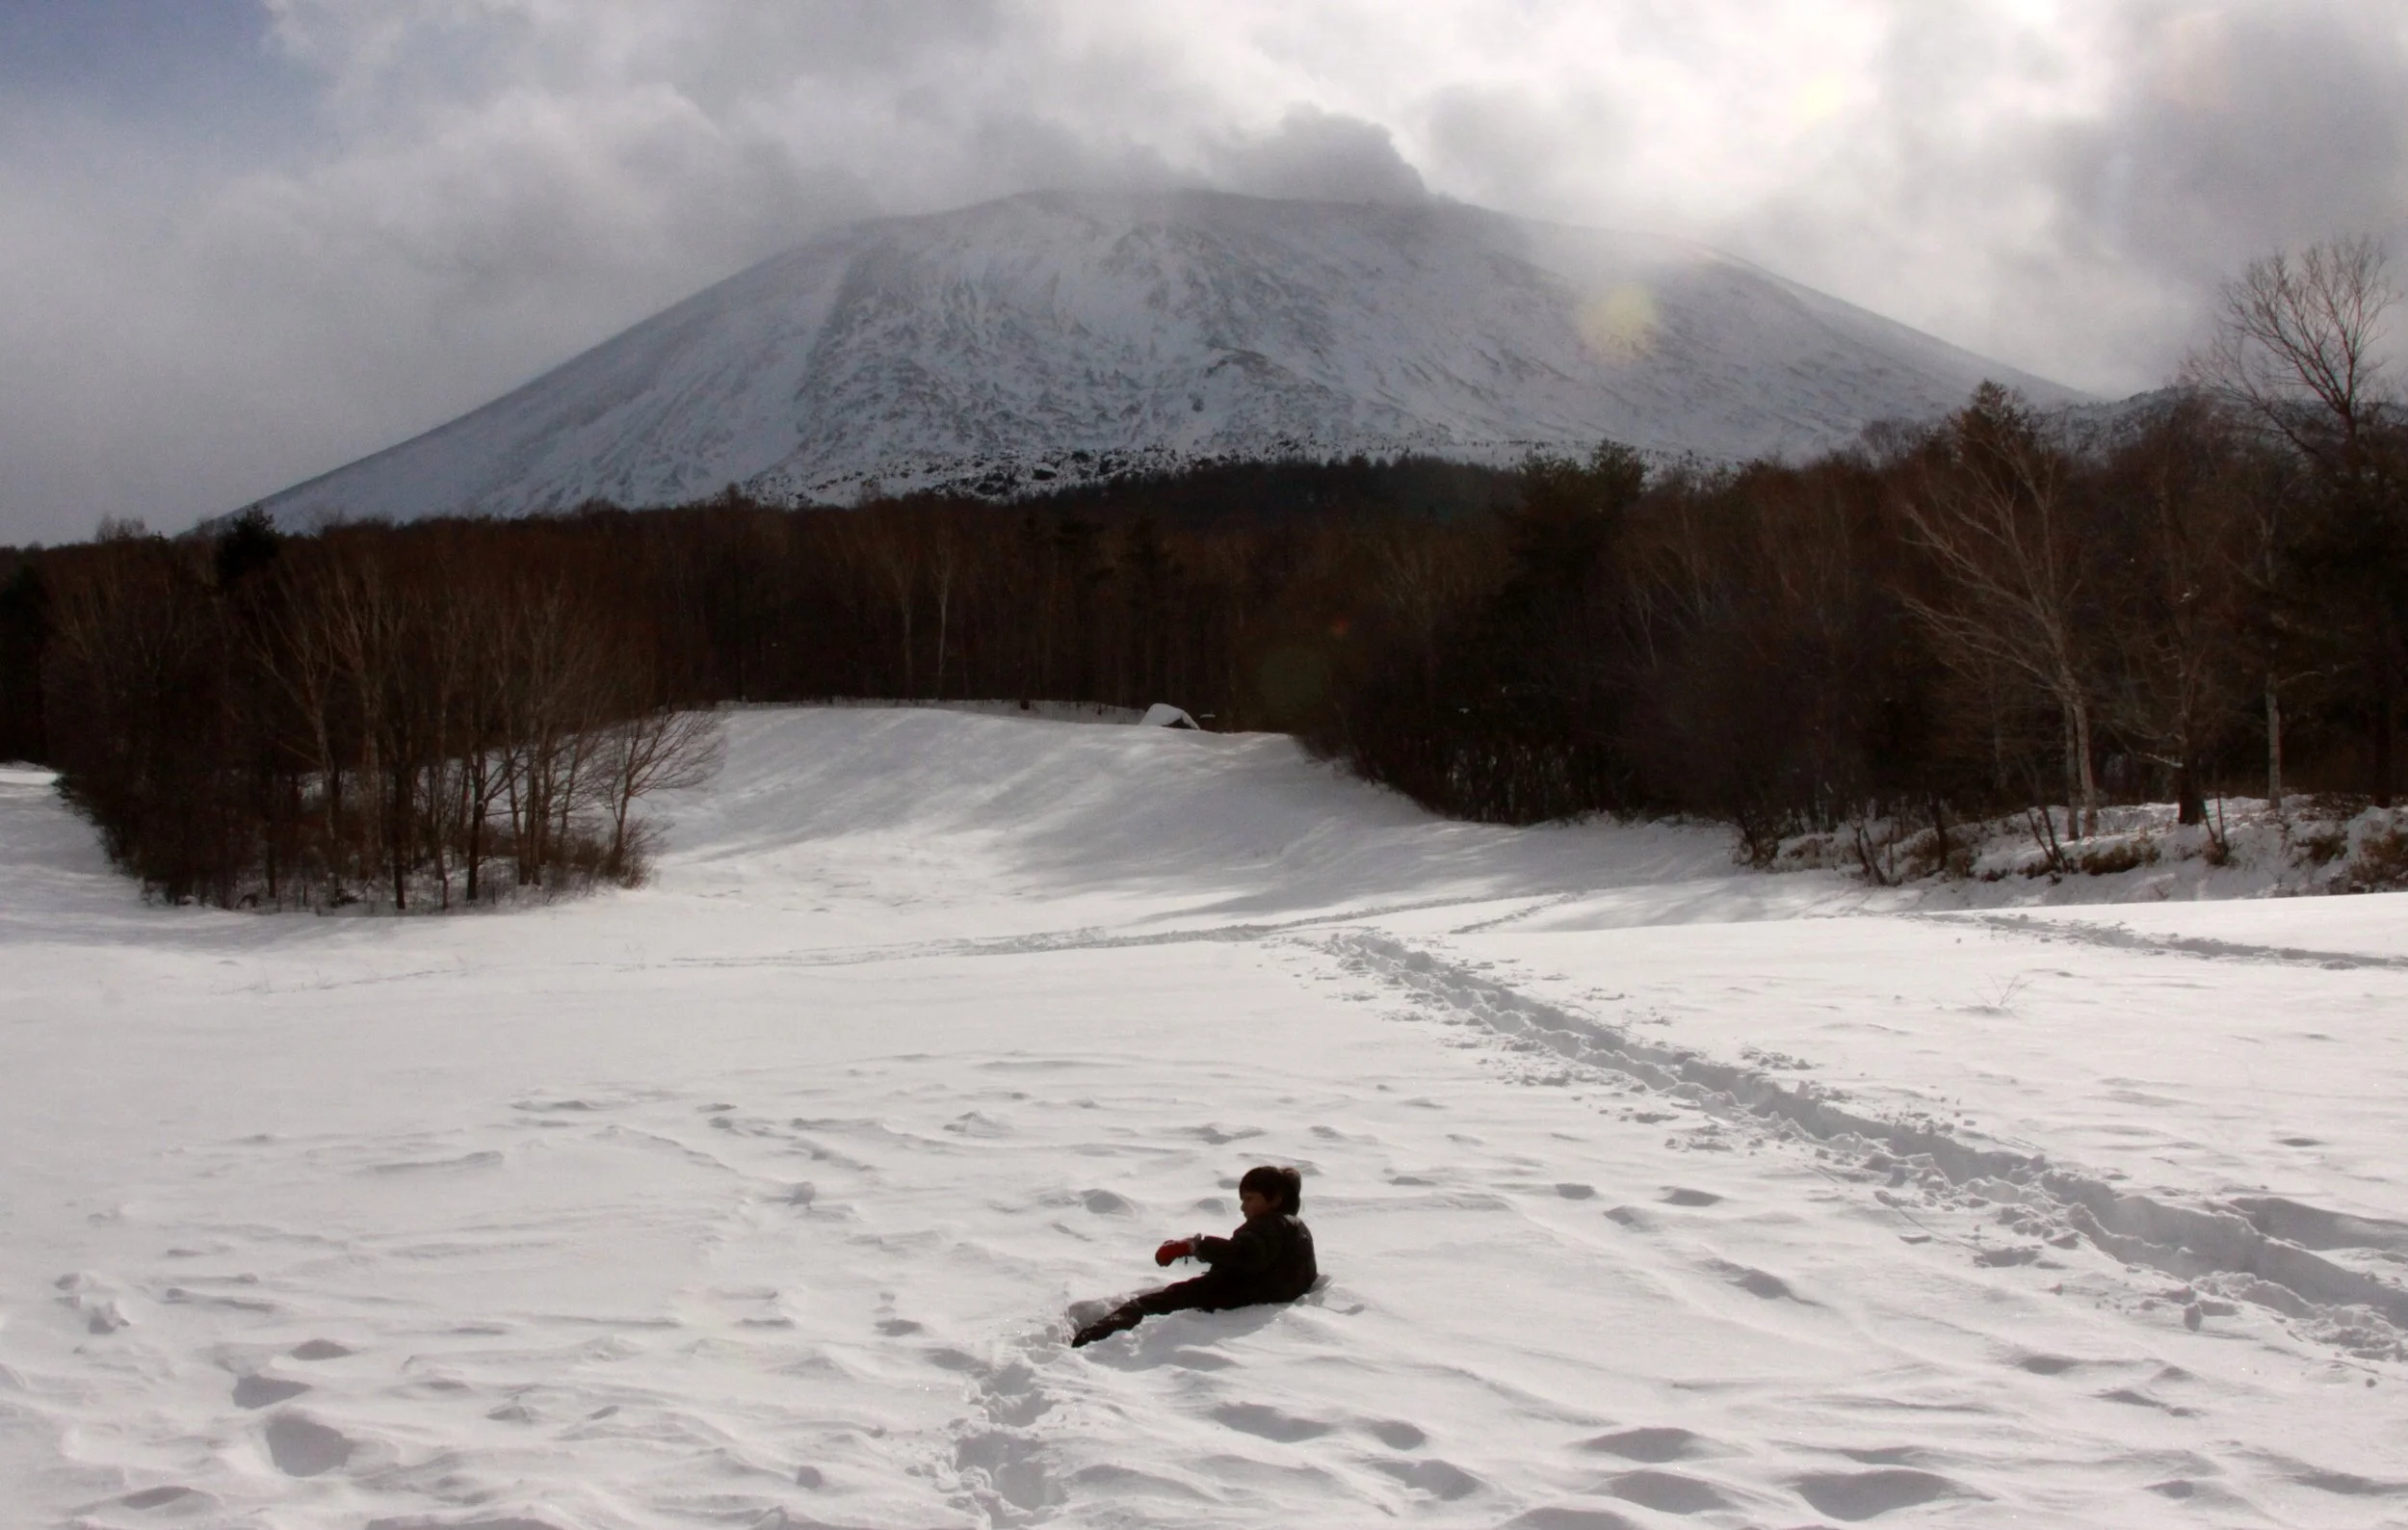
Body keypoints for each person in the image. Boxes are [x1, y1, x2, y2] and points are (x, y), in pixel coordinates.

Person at [1071, 1165, 1317, 1348]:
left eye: (1250, 1199)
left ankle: (1090, 1337)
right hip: (1250, 1291)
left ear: (1275, 1199)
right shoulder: (1295, 1229)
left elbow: (1245, 1254)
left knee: (1150, 1304)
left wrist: (1194, 1247)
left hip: (1233, 1292)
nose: (1243, 1208)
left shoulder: (1269, 1225)